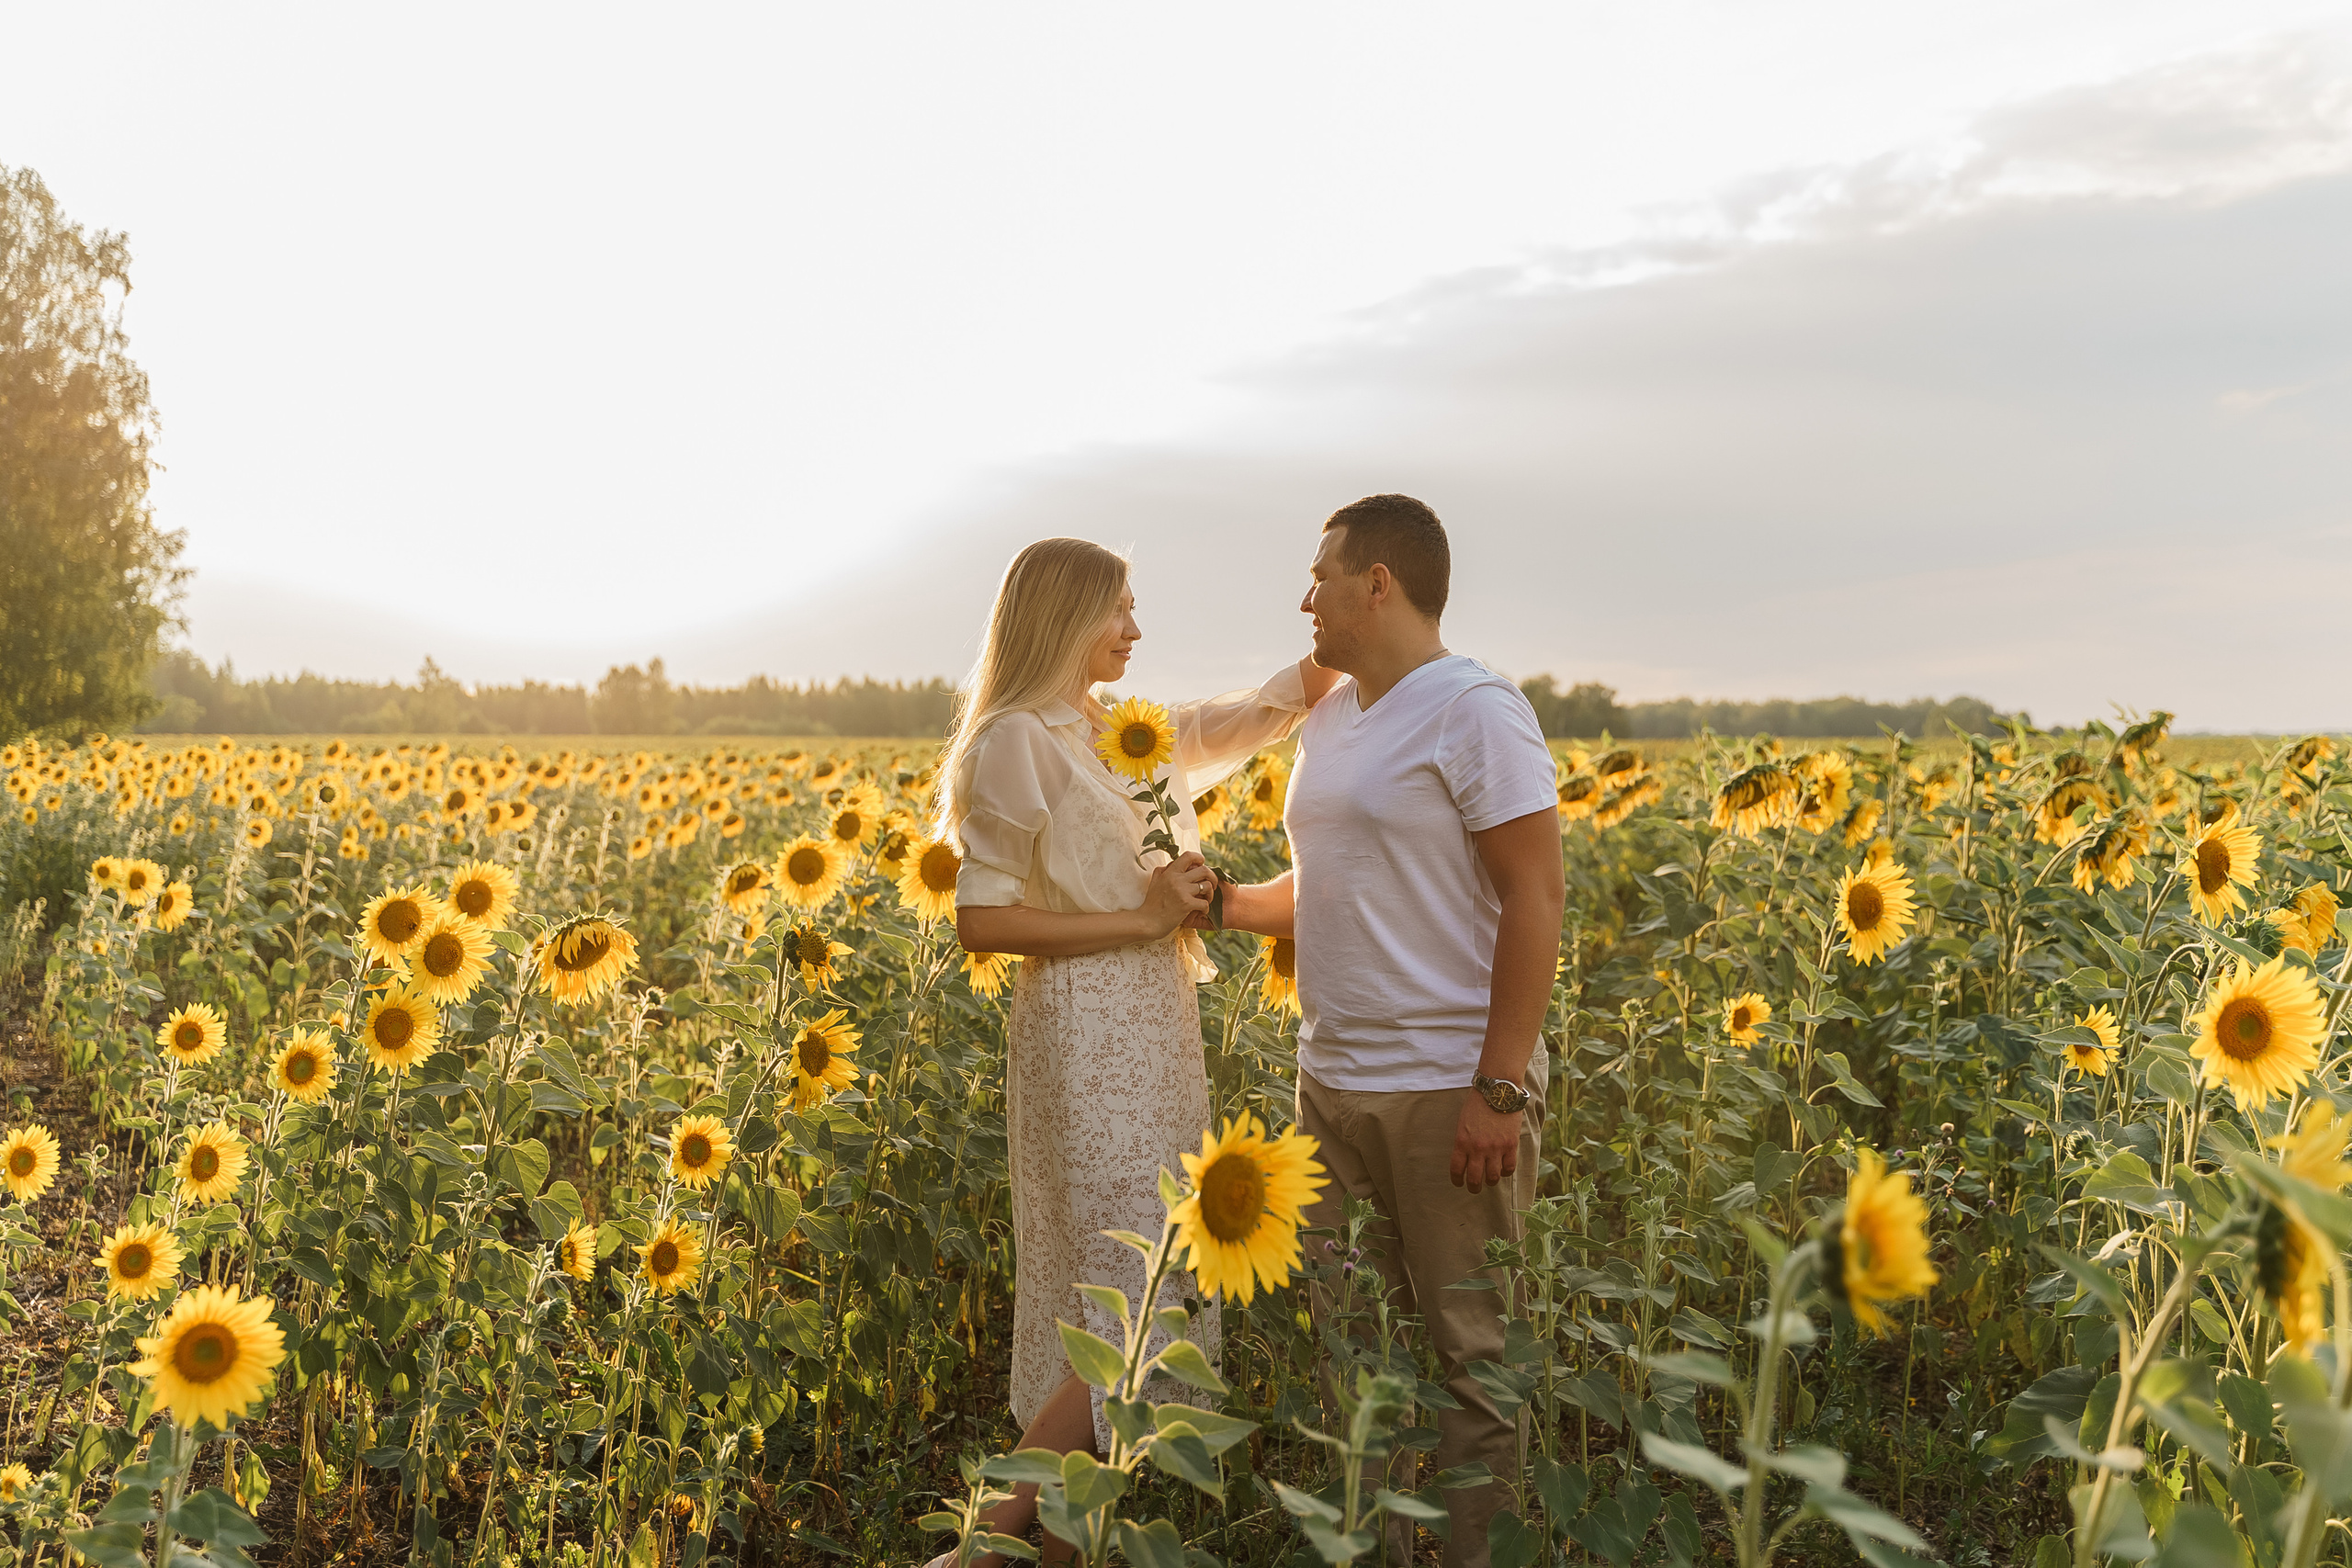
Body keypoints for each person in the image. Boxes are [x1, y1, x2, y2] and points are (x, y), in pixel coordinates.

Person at [930, 536, 1341, 1567]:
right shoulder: (1016, 740)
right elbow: (980, 922)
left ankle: (1061, 1556)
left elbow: (1226, 723)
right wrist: (1143, 917)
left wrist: (1326, 659)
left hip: (1155, 1026)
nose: (1135, 629)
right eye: (1119, 609)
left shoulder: (1118, 731)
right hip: (1082, 1023)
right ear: (1065, 618)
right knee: (1124, 1293)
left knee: (1143, 1282)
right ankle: (983, 1551)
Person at [1216, 494, 1566, 1567]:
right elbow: (1328, 883)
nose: (1304, 596)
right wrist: (1222, 903)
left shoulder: (1475, 709)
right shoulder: (1334, 718)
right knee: (1353, 1361)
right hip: (1331, 1083)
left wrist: (1498, 1088)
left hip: (1444, 1084)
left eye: (1320, 573)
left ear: (1380, 582)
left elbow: (1535, 895)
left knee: (1472, 1359)